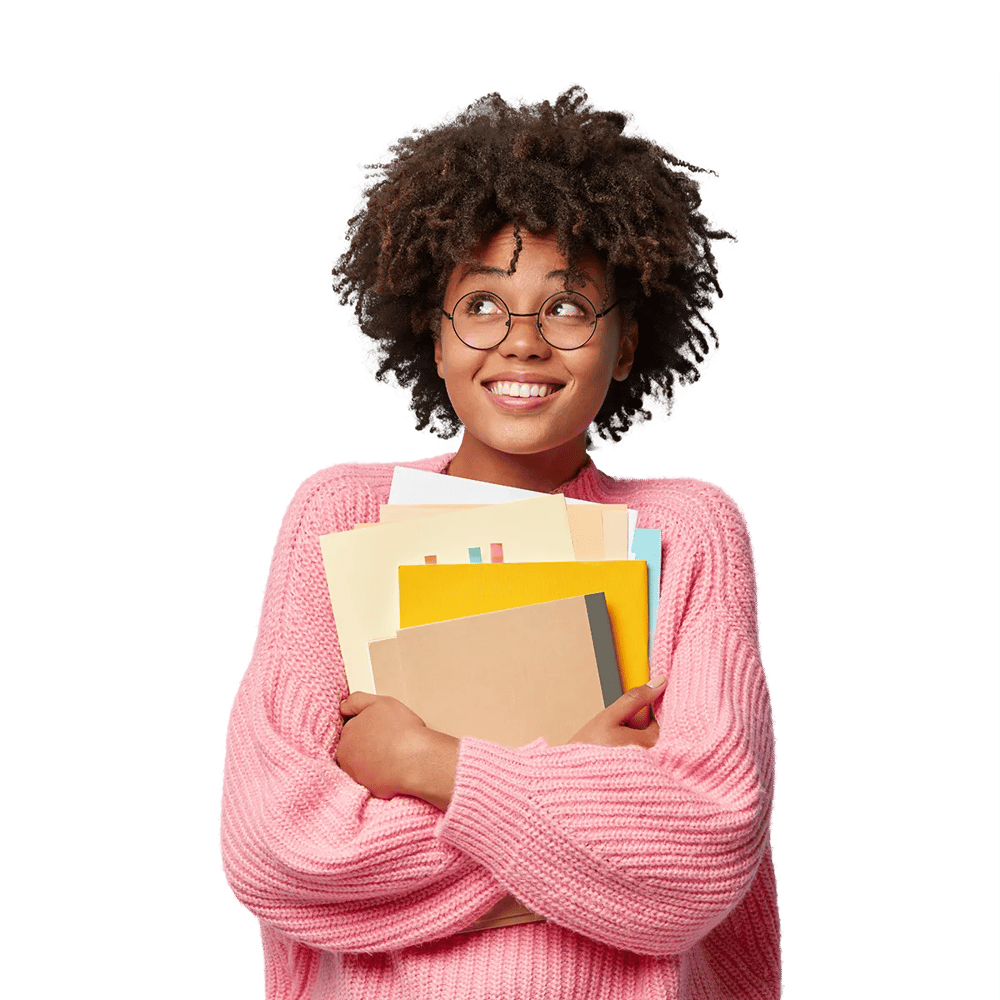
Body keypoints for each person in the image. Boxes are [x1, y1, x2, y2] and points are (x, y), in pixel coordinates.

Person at [218, 82, 781, 999]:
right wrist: (584, 814)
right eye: (481, 306)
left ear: (626, 344)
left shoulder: (691, 530)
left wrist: (425, 765)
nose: (522, 344)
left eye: (566, 309)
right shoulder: (338, 513)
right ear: (431, 337)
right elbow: (278, 851)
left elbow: (701, 852)